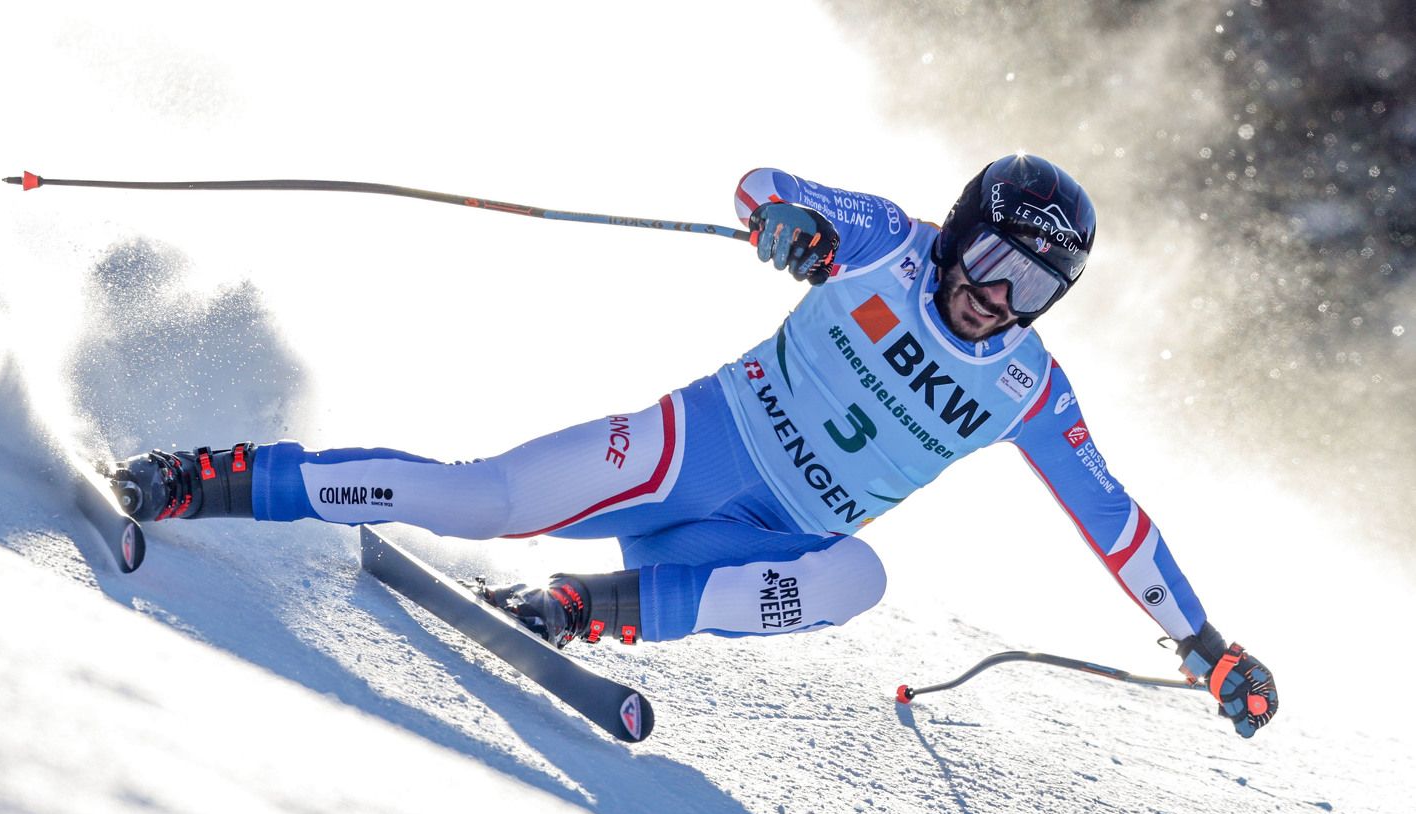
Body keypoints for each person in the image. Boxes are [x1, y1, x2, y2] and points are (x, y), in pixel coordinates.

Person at [109, 154, 1278, 738]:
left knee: (858, 579)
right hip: (685, 450)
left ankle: (593, 606)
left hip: (762, 541)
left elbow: (1116, 521)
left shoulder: (1026, 382)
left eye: (1035, 287)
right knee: (477, 498)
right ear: (965, 230)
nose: (998, 297)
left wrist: (1205, 644)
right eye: (995, 262)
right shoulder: (888, 246)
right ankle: (210, 479)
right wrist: (784, 223)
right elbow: (766, 183)